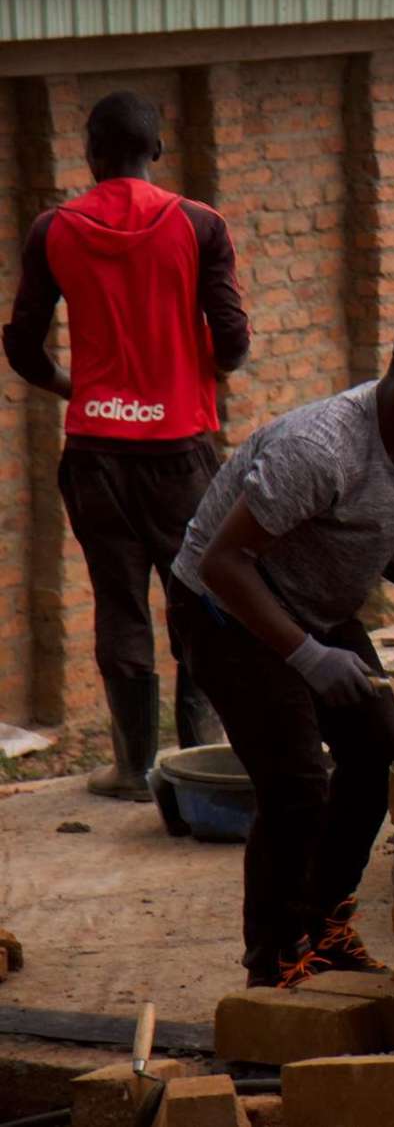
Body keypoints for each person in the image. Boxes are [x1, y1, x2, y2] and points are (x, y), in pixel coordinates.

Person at [168, 315, 394, 986]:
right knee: (296, 783)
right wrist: (307, 655)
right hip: (227, 608)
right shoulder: (319, 449)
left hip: (312, 606)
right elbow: (225, 562)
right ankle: (276, 960)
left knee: (378, 755)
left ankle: (325, 926)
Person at [3, 91, 250, 801]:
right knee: (196, 596)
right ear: (157, 152)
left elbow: (21, 346)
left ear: (90, 154)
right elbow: (232, 341)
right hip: (181, 451)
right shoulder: (201, 225)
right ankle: (197, 759)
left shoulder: (54, 229)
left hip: (96, 454)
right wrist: (201, 369)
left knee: (119, 603)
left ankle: (134, 768)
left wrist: (75, 388)